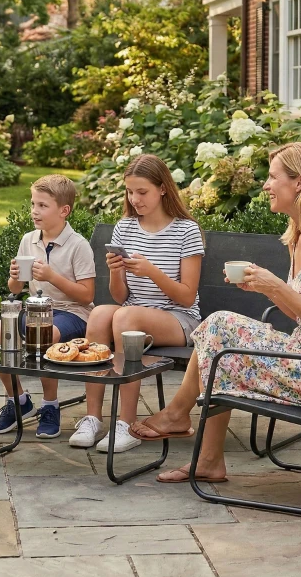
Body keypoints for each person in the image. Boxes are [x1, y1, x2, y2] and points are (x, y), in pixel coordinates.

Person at [130, 142, 301, 483]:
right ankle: (198, 445)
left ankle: (182, 422)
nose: (266, 185)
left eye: (273, 177)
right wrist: (263, 287)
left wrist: (275, 286)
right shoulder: (300, 235)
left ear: (298, 183)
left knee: (220, 332)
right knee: (219, 331)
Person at [69, 154, 204, 453]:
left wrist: (152, 272)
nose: (135, 199)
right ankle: (93, 417)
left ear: (163, 189)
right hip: (132, 312)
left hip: (178, 318)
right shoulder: (125, 227)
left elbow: (187, 296)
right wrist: (117, 270)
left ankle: (125, 424)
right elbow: (119, 297)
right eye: (130, 192)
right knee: (101, 314)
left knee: (124, 318)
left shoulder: (186, 230)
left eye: (142, 192)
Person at [0, 174, 95, 439]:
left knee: (45, 333)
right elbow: (15, 290)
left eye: (43, 205)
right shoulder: (29, 240)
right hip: (36, 310)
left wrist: (52, 276)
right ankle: (19, 401)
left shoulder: (78, 245)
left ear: (64, 210)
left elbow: (87, 294)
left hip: (73, 313)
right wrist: (14, 276)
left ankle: (50, 405)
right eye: (33, 204)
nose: (35, 211)